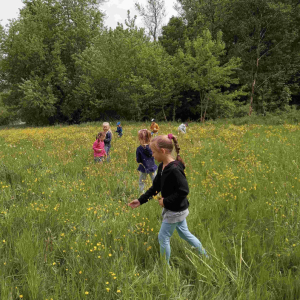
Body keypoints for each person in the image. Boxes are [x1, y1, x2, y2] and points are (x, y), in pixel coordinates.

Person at [128, 134, 208, 264]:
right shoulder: (162, 166)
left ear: (163, 151)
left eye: (153, 152)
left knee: (163, 237)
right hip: (177, 208)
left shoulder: (175, 169)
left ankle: (165, 267)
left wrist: (166, 201)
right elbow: (156, 187)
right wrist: (140, 200)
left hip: (175, 209)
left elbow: (184, 191)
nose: (152, 155)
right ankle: (205, 255)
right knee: (184, 233)